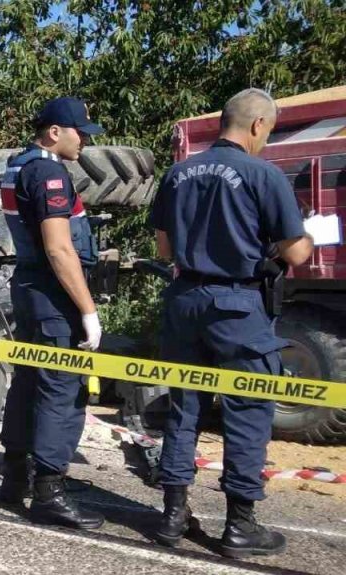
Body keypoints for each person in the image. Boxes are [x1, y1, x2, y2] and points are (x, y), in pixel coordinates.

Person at [150, 88, 312, 558]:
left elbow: (164, 250)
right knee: (248, 410)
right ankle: (240, 526)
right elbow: (297, 252)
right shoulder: (264, 173)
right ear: (258, 125)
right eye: (270, 130)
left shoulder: (177, 173)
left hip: (183, 301)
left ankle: (173, 515)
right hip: (238, 306)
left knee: (185, 407)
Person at [0, 97, 105, 530]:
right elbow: (59, 247)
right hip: (53, 296)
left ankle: (14, 477)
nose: (86, 143)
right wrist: (88, 310)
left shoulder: (17, 164)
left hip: (29, 289)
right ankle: (49, 493)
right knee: (62, 389)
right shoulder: (48, 171)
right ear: (55, 132)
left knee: (27, 382)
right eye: (81, 133)